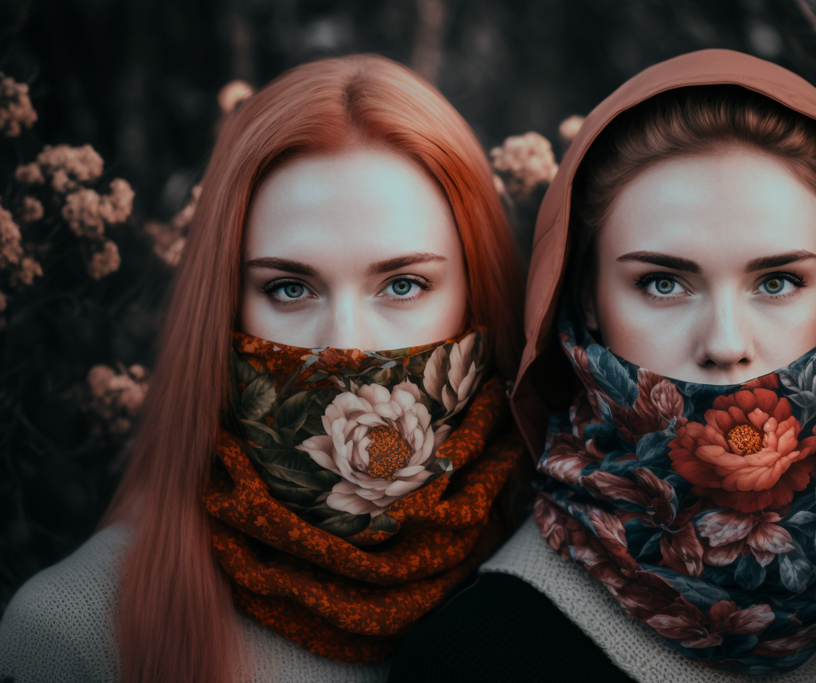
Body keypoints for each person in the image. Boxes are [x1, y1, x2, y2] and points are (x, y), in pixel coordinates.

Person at [388, 49, 816, 683]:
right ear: (584, 296)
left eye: (778, 281)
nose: (725, 343)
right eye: (664, 283)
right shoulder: (476, 657)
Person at [0, 55, 526, 683]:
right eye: (289, 289)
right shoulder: (77, 633)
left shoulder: (563, 598)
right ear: (222, 308)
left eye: (404, 284)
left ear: (478, 294)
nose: (345, 349)